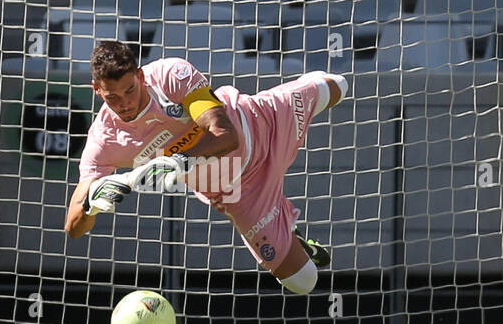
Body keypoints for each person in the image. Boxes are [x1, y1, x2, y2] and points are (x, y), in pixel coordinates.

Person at [65, 40, 347, 294]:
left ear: (140, 76)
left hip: (261, 124)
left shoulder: (169, 76)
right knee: (303, 281)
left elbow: (225, 135)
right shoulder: (103, 141)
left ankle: (305, 83)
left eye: (130, 90)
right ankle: (293, 236)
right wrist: (92, 203)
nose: (125, 103)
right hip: (236, 190)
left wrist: (175, 162)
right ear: (97, 90)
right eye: (113, 97)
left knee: (338, 85)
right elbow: (73, 227)